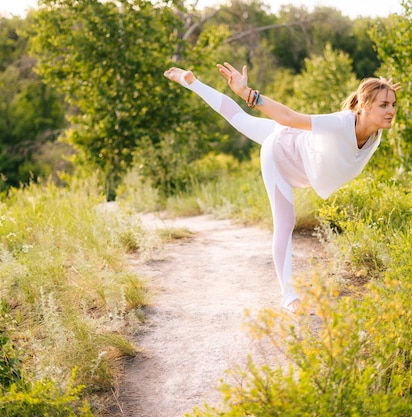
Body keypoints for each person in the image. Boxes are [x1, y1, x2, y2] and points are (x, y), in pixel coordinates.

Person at [164, 63, 399, 313]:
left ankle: (193, 82)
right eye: (383, 105)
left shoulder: (375, 134)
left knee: (239, 120)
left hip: (289, 140)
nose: (391, 111)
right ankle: (288, 295)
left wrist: (382, 92)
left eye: (393, 105)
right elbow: (291, 117)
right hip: (279, 155)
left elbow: (295, 129)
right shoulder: (342, 123)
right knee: (285, 223)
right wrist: (247, 94)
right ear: (363, 106)